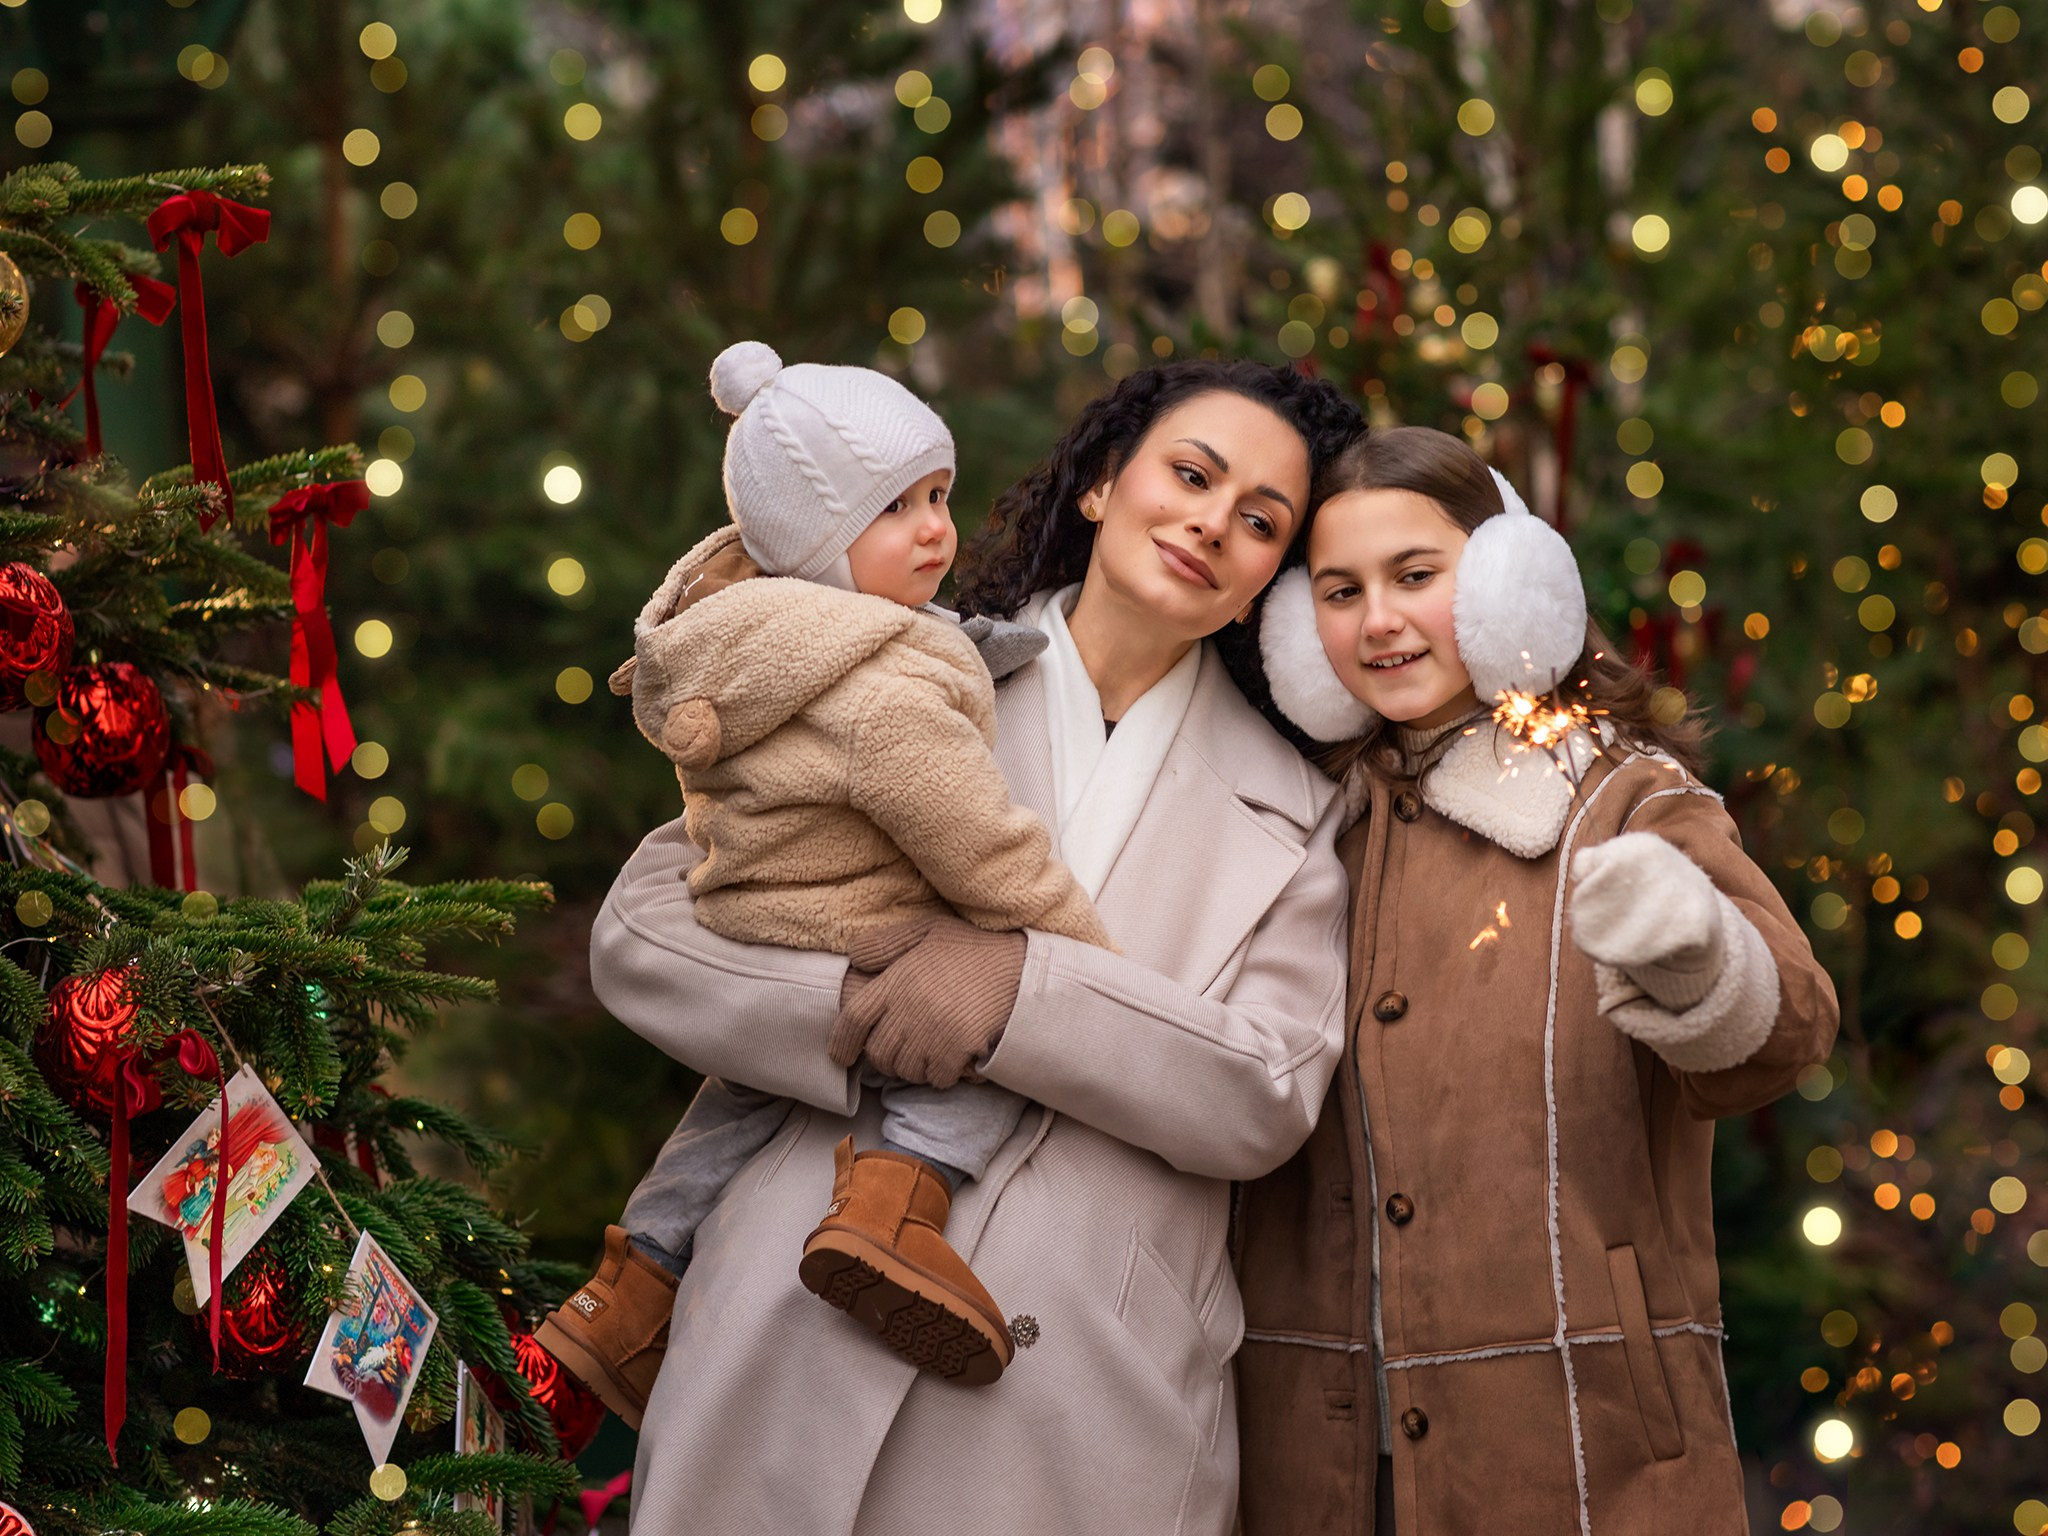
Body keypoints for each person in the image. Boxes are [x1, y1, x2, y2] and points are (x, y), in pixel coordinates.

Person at [587, 358, 1364, 1535]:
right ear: (1103, 484)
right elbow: (648, 931)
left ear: (1271, 579)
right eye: (1190, 474)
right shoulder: (872, 660)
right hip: (787, 1329)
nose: (1213, 521)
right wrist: (867, 1004)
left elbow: (1266, 1091)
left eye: (1260, 520)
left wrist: (1017, 997)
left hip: (1083, 1416)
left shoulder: (1301, 817)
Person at [1235, 427, 1840, 1535]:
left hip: (1580, 1447)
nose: (1376, 621)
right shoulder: (1289, 821)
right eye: (1337, 590)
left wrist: (1692, 954)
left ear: (1509, 587)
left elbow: (1790, 1029)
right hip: (1308, 1463)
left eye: (1415, 576)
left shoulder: (1622, 800)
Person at [536, 341, 1114, 1421]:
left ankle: (627, 1296)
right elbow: (974, 843)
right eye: (895, 510)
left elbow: (866, 665)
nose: (936, 528)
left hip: (756, 908)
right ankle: (892, 1207)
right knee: (975, 1048)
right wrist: (1070, 953)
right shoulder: (885, 691)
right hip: (858, 921)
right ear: (814, 537)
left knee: (733, 1101)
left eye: (937, 495)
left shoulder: (754, 629)